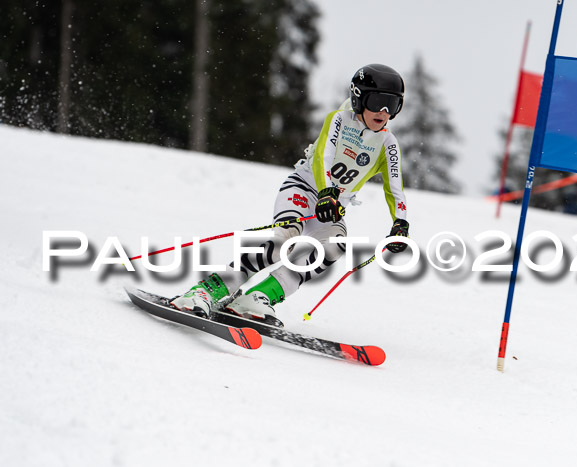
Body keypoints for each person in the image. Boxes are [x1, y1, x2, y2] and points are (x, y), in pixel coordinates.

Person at [170, 64, 410, 326]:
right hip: (303, 189)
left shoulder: (389, 143)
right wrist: (326, 191)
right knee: (285, 241)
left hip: (330, 209)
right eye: (377, 101)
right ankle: (206, 291)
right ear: (358, 97)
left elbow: (395, 188)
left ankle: (258, 297)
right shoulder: (339, 120)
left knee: (333, 247)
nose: (383, 112)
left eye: (392, 105)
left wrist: (400, 223)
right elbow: (323, 158)